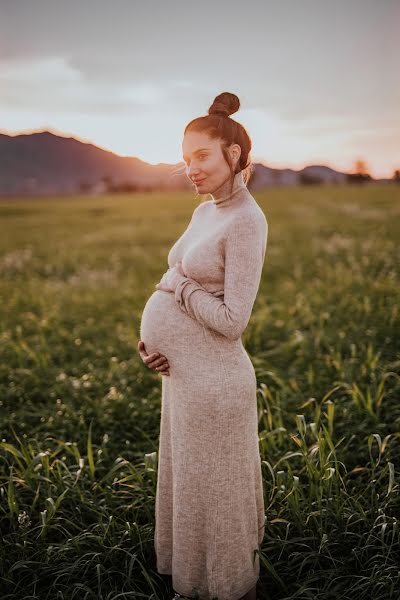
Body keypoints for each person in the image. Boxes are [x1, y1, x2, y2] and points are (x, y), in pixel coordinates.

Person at [138, 92, 268, 600]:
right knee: (190, 487)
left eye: (201, 156)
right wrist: (150, 341)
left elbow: (233, 321)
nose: (189, 168)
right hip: (184, 380)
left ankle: (233, 589)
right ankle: (192, 583)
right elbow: (171, 273)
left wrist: (180, 290)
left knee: (217, 496)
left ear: (232, 156)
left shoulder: (247, 221)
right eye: (185, 157)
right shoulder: (205, 212)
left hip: (217, 385)